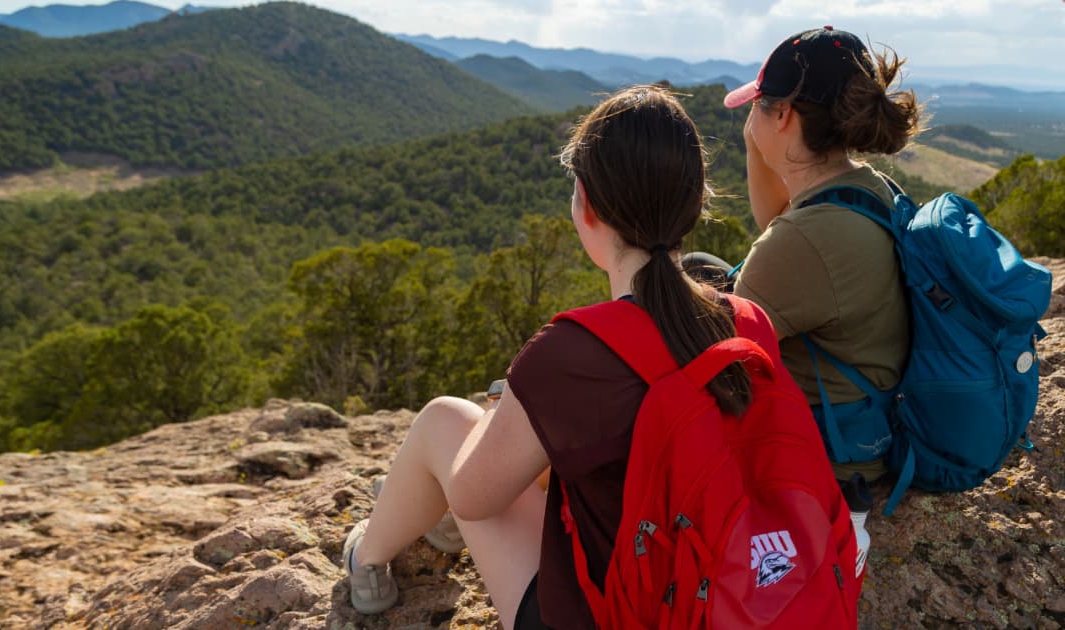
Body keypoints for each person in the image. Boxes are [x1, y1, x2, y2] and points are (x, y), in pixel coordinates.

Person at [341, 85, 828, 628]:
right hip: (743, 582)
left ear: (587, 206)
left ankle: (366, 560)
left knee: (445, 421)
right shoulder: (746, 320)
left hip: (624, 610)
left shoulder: (571, 353)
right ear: (694, 207)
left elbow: (474, 496)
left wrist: (514, 410)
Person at [690, 26, 922, 486]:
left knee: (677, 301)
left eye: (757, 104)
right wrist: (757, 140)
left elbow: (706, 362)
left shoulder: (805, 242)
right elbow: (777, 218)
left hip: (829, 458)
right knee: (700, 269)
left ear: (784, 115)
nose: (750, 116)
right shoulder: (864, 186)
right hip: (867, 407)